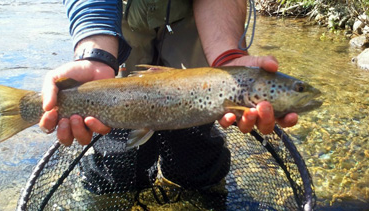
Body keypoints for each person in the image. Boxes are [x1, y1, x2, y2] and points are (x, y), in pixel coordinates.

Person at [39, 0, 298, 194]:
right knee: (117, 153)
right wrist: (96, 53)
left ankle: (198, 188)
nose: (301, 94)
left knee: (193, 147)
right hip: (117, 13)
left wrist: (225, 54)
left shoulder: (246, 87)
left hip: (198, 14)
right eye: (298, 90)